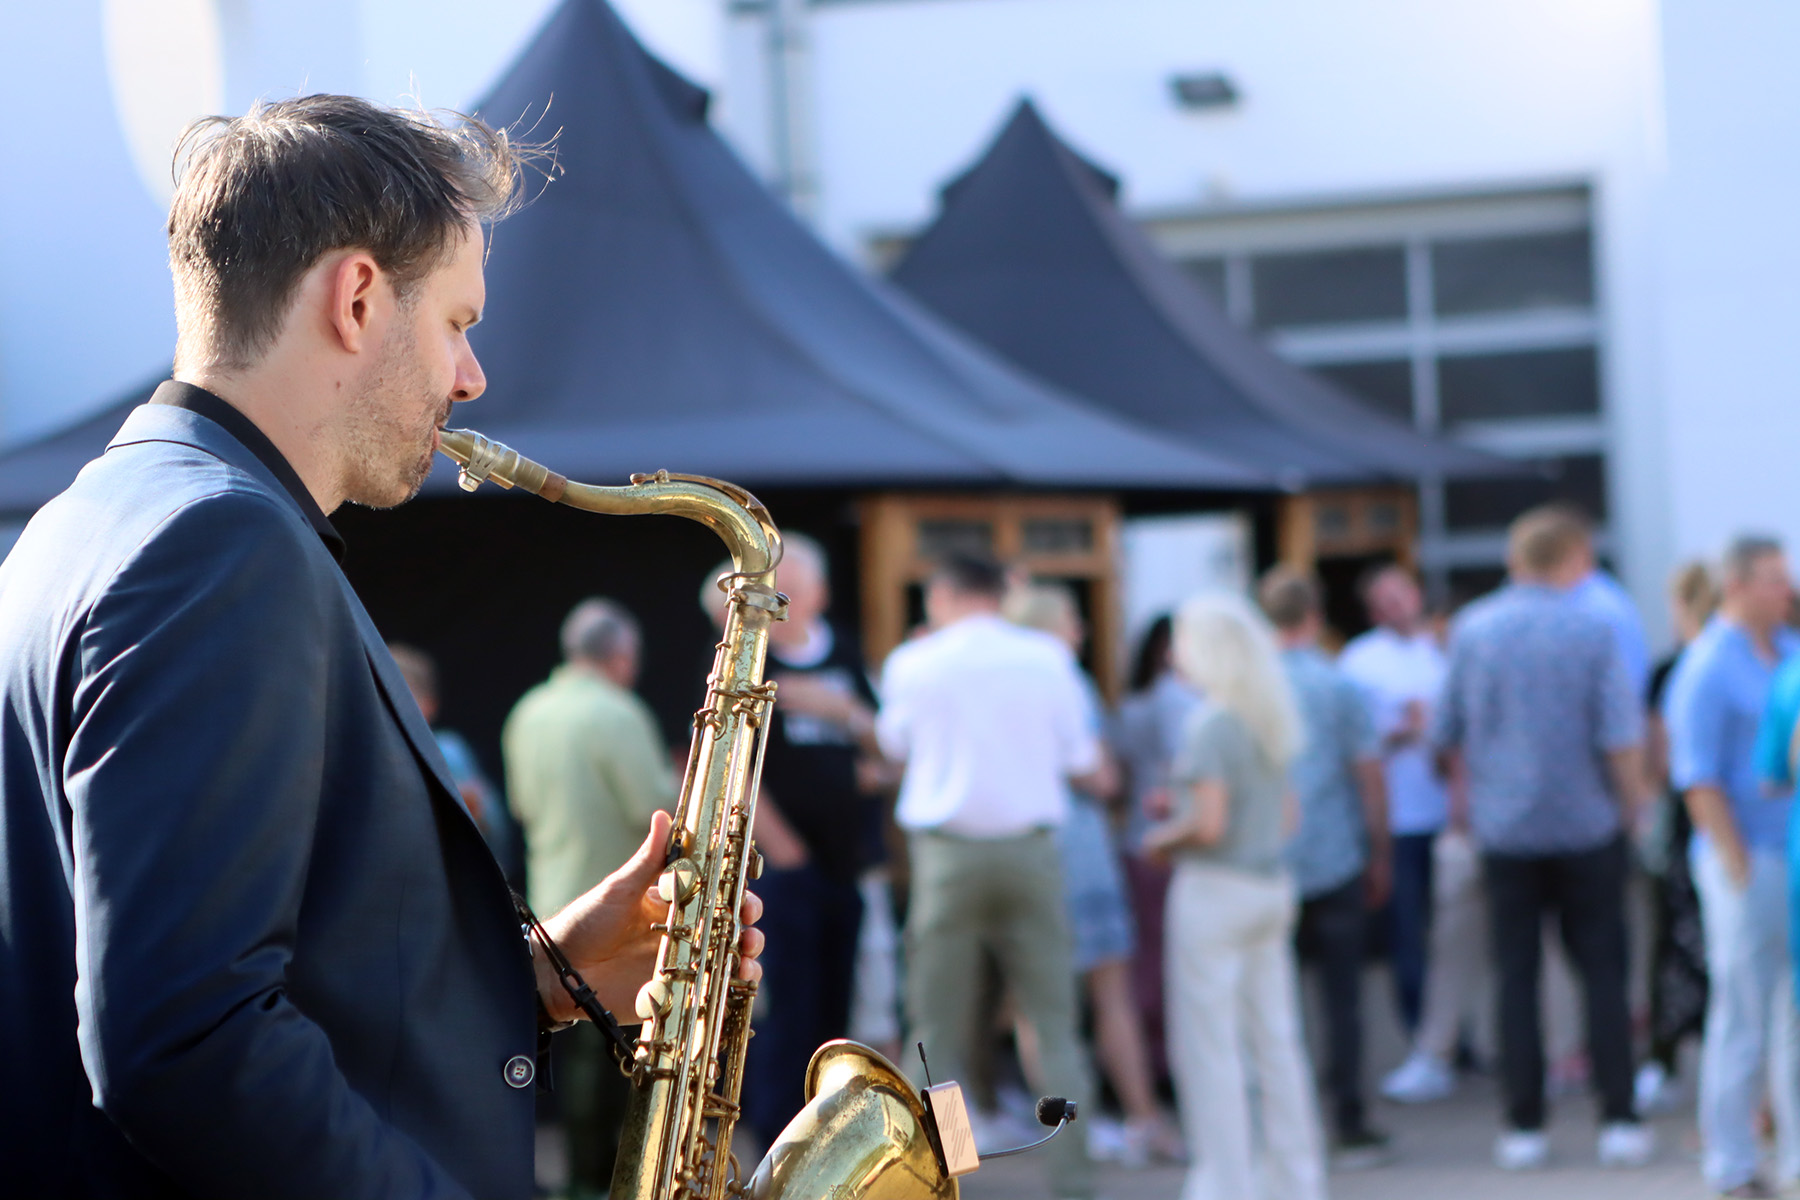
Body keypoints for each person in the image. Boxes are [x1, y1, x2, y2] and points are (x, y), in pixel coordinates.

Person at [0, 95, 760, 1198]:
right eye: (457, 322)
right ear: (357, 298)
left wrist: (543, 972)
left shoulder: (81, 522)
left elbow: (255, 974)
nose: (471, 377)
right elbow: (189, 1041)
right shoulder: (221, 546)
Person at [1433, 505, 1652, 1172]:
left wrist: (1468, 799)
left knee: (1516, 976)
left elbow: (1446, 731)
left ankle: (1523, 1124)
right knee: (1603, 973)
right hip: (1586, 825)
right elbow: (1619, 735)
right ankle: (1619, 1117)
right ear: (1574, 559)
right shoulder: (1592, 628)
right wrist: (1635, 804)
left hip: (1506, 828)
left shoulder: (1473, 629)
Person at [877, 553, 1098, 1200]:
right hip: (1031, 851)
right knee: (1054, 1025)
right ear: (1001, 595)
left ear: (943, 595)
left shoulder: (915, 661)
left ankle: (945, 1176)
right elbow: (1080, 757)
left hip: (948, 856)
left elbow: (893, 746)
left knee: (935, 1031)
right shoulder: (1047, 658)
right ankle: (1073, 1176)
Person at [699, 535, 886, 1149]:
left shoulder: (844, 656)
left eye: (794, 593)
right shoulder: (747, 662)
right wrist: (783, 849)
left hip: (846, 863)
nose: (782, 605)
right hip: (783, 871)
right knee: (785, 1007)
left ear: (819, 595)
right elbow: (730, 767)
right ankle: (775, 1140)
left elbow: (886, 751)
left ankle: (824, 1137)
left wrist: (844, 715)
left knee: (835, 1009)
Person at [1145, 590, 1326, 1200]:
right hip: (1269, 887)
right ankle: (1296, 1181)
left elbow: (1210, 826)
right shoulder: (1267, 716)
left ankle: (1224, 1182)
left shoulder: (1212, 723)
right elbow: (1288, 816)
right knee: (1277, 1041)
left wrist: (1161, 839)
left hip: (1216, 891)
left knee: (1211, 1049)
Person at [1005, 583, 1183, 1168]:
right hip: (1078, 850)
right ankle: (1143, 1119)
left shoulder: (1001, 680)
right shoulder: (1065, 678)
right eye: (1073, 620)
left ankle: (1064, 1131)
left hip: (1018, 850)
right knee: (1109, 994)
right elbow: (1100, 776)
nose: (1081, 631)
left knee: (1035, 1006)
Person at [504, 598, 678, 1197]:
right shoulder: (619, 713)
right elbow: (654, 811)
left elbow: (521, 806)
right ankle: (601, 1182)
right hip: (616, 915)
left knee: (565, 1048)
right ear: (622, 658)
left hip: (549, 903)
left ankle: (577, 1180)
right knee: (610, 1058)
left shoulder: (528, 711)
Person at [1666, 535, 1800, 1198]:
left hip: (1791, 850)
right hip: (1748, 856)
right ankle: (1732, 1162)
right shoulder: (1709, 664)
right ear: (1738, 584)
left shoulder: (1787, 651)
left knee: (1791, 1013)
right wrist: (1735, 862)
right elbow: (1697, 775)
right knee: (1742, 1009)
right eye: (1774, 577)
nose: (1787, 588)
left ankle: (1794, 1155)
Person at [1258, 566, 1394, 1168]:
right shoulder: (1339, 685)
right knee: (1343, 1001)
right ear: (1314, 616)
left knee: (1274, 1004)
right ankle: (1349, 1121)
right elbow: (1369, 776)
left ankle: (1285, 1123)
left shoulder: (1251, 690)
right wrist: (1380, 851)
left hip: (1270, 862)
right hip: (1336, 858)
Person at [1338, 563, 1451, 1082]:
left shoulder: (1442, 650)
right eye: (1383, 601)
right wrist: (1399, 729)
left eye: (1400, 595)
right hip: (1401, 817)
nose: (1396, 607)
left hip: (1447, 813)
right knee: (1408, 935)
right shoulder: (1359, 662)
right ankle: (1420, 1040)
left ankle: (1454, 1037)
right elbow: (1351, 743)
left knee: (1451, 934)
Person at [1635, 562, 1719, 1115]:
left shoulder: (1676, 670)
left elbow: (1658, 761)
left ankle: (1667, 1059)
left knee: (1673, 942)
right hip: (1716, 822)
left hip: (1690, 823)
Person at [1110, 615, 1200, 1088]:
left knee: (1145, 954)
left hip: (1137, 840)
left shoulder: (1131, 707)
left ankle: (1144, 1062)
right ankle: (1165, 1063)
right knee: (1171, 959)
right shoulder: (1180, 702)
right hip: (1173, 841)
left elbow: (1121, 776)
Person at [390, 641, 519, 878]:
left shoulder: (449, 750)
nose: (390, 709)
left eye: (403, 698)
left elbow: (491, 827)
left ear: (429, 705)